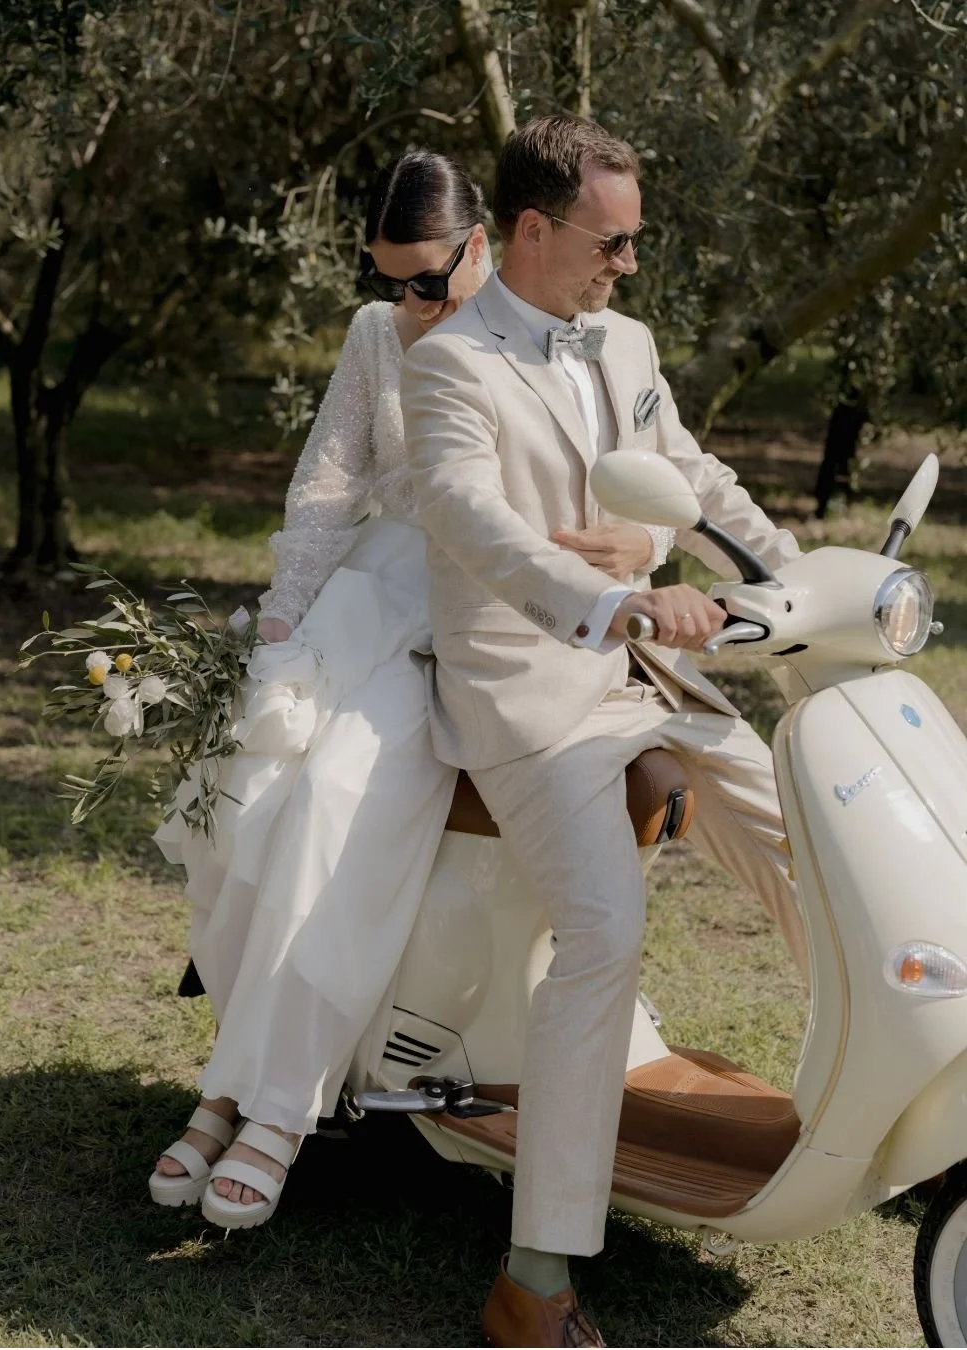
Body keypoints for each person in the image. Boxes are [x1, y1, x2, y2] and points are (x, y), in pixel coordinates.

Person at [149, 149, 676, 1230]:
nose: (411, 305)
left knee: (340, 802)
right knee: (254, 803)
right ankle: (226, 1087)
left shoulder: (554, 342)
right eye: (394, 282)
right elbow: (328, 485)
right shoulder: (373, 338)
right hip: (362, 605)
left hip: (475, 621)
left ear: (487, 243)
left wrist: (644, 544)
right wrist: (285, 629)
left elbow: (643, 480)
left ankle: (278, 1115)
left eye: (429, 280)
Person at [400, 114, 809, 1347]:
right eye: (612, 242)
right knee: (604, 929)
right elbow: (475, 521)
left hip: (647, 677)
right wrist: (615, 596)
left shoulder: (623, 339)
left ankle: (918, 1116)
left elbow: (689, 474)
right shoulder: (449, 367)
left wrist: (799, 577)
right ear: (534, 230)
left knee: (815, 839)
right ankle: (534, 1278)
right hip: (527, 694)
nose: (628, 265)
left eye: (634, 243)